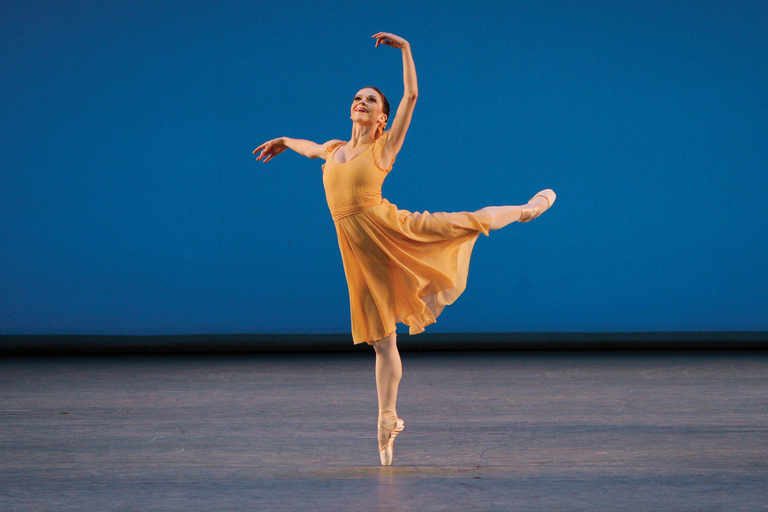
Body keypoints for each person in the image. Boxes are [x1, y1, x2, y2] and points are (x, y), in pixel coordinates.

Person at [254, 32, 555, 466]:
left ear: (381, 119)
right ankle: (387, 418)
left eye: (371, 101)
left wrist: (407, 50)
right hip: (358, 253)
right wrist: (284, 140)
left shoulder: (383, 147)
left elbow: (411, 95)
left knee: (466, 223)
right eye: (357, 98)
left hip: (394, 230)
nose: (362, 102)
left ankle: (527, 210)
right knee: (382, 341)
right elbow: (310, 149)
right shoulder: (335, 150)